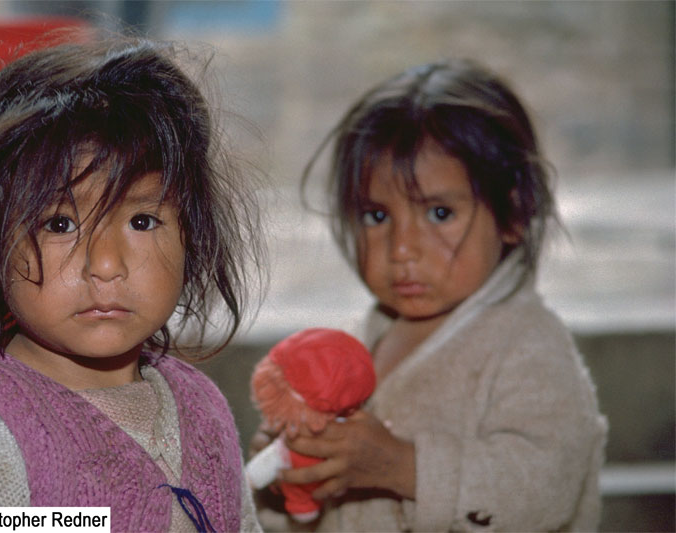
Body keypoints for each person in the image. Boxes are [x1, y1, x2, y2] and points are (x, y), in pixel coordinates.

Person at [0, 35, 265, 533]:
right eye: (59, 224)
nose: (105, 264)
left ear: (192, 236)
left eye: (142, 221)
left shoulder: (203, 411)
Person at [253, 59, 607, 532]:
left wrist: (402, 466)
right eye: (377, 216)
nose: (402, 249)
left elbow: (546, 487)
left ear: (513, 214)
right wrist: (289, 476)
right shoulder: (361, 341)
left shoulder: (530, 346)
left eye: (440, 213)